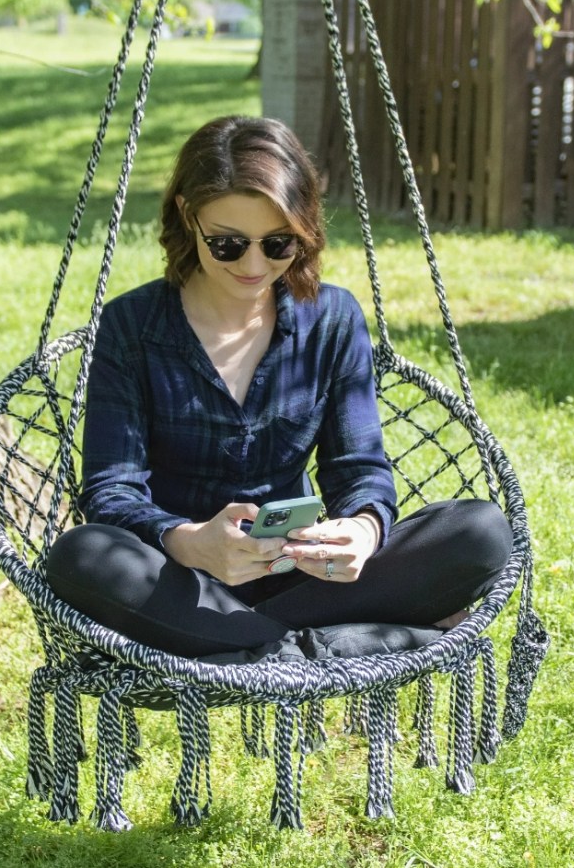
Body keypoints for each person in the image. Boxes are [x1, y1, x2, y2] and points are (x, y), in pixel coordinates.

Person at [45, 115, 513, 662]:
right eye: (227, 244)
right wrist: (189, 541)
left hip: (304, 578)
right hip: (180, 582)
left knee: (480, 533)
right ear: (186, 216)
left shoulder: (332, 318)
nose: (253, 265)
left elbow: (358, 468)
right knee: (82, 556)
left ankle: (254, 649)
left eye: (278, 244)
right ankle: (321, 649)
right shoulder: (132, 326)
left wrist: (362, 530)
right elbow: (112, 491)